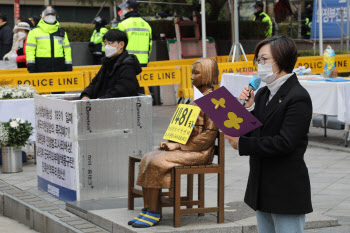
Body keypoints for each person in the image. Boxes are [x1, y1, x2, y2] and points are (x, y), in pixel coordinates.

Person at [225, 36, 313, 233]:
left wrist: (242, 144)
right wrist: (248, 110)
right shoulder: (263, 93)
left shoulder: (298, 97)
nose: (260, 65)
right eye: (258, 60)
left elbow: (285, 142)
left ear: (281, 60)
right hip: (262, 187)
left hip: (285, 189)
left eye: (264, 59)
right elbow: (259, 132)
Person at [128, 58, 219, 228]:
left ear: (208, 74)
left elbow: (208, 136)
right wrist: (171, 140)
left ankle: (155, 211)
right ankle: (148, 208)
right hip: (186, 148)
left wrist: (178, 146)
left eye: (196, 73)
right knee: (148, 157)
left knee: (157, 161)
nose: (191, 76)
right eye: (192, 72)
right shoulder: (195, 99)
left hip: (199, 152)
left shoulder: (214, 101)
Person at [80, 29, 142, 99]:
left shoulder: (128, 66)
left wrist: (100, 100)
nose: (106, 47)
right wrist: (86, 95)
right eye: (105, 43)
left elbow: (121, 91)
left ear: (121, 44)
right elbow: (95, 83)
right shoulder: (107, 63)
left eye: (110, 43)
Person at [26, 5, 72, 73]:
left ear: (56, 15)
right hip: (41, 66)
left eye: (52, 13)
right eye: (47, 13)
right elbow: (30, 50)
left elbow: (67, 50)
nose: (50, 15)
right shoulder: (34, 32)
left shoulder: (61, 32)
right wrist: (31, 63)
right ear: (41, 16)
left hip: (60, 66)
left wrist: (68, 64)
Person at [116, 0, 152, 67]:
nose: (123, 10)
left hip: (126, 61)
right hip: (143, 61)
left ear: (131, 9)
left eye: (125, 8)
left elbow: (118, 44)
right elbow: (150, 44)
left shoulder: (123, 24)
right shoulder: (146, 24)